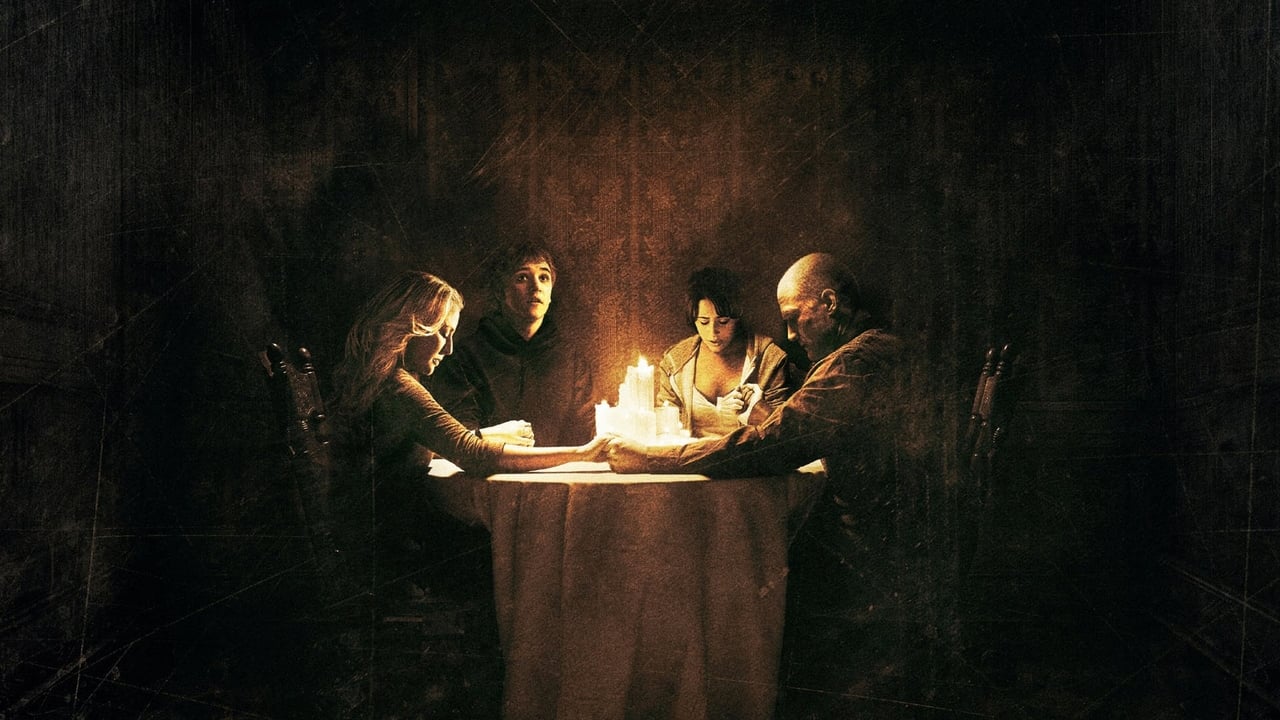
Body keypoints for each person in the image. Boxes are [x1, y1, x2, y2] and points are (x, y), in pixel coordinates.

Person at [606, 252, 916, 712]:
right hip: (884, 537)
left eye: (793, 318)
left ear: (829, 304)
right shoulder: (875, 348)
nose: (789, 334)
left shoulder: (854, 362)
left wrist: (651, 458)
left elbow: (769, 445)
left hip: (875, 551)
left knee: (721, 580)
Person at [329, 270, 607, 715]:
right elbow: (473, 456)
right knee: (516, 563)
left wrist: (485, 435)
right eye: (442, 332)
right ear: (411, 327)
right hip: (390, 554)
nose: (449, 348)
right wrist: (585, 453)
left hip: (373, 540)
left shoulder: (384, 379)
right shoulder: (399, 387)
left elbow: (436, 442)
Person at [429, 243, 595, 447]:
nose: (536, 287)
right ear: (501, 291)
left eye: (544, 277)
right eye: (522, 278)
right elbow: (463, 438)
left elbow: (583, 438)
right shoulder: (465, 356)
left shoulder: (572, 360)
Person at [655, 267, 793, 437]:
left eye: (723, 322)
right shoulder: (675, 363)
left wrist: (758, 409)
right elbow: (664, 429)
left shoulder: (769, 359)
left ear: (737, 317)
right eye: (704, 322)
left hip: (749, 454)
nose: (713, 332)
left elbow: (783, 433)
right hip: (692, 453)